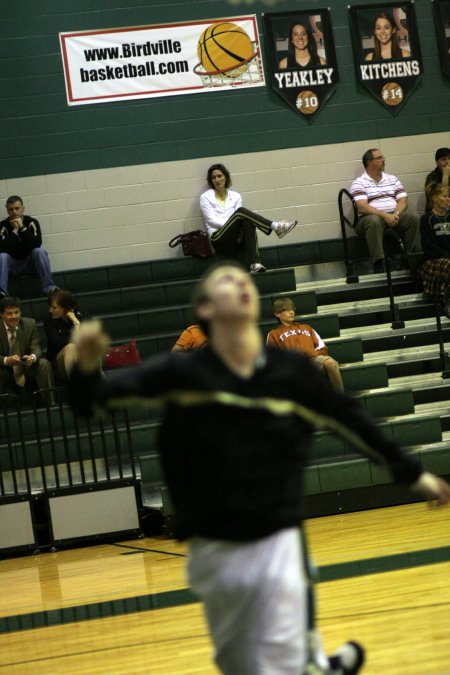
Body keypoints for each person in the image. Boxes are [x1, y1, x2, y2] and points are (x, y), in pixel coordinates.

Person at [68, 261, 450, 675]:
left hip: (277, 537)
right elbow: (91, 402)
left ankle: (315, 663)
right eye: (225, 282)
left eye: (243, 280)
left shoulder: (289, 371)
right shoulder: (181, 372)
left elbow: (351, 419)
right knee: (241, 665)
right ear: (207, 311)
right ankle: (321, 667)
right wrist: (86, 369)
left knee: (281, 663)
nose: (239, 283)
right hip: (213, 545)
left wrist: (415, 474)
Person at [200, 164, 298, 274]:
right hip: (218, 238)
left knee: (247, 221)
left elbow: (240, 219)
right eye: (214, 177)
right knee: (241, 213)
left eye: (220, 176)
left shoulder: (235, 196)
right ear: (211, 181)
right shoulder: (206, 197)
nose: (217, 179)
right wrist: (233, 223)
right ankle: (275, 226)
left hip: (235, 237)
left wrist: (235, 224)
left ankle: (255, 264)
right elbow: (211, 220)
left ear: (225, 177)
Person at [350, 149, 421, 273]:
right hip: (369, 219)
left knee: (414, 217)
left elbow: (403, 200)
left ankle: (413, 260)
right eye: (380, 158)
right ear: (369, 162)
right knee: (374, 221)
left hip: (394, 215)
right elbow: (362, 207)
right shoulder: (359, 182)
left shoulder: (392, 179)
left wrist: (396, 214)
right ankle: (379, 263)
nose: (384, 160)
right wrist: (385, 216)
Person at [267, 297, 344, 391]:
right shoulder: (274, 334)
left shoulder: (306, 327)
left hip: (313, 359)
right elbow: (272, 356)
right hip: (292, 364)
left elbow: (322, 346)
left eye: (292, 309)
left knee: (331, 364)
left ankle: (340, 399)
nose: (291, 312)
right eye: (286, 310)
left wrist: (311, 353)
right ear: (277, 313)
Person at [0, 195, 57, 298]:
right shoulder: (2, 226)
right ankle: (2, 292)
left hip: (30, 264)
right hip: (12, 266)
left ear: (23, 209)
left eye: (17, 208)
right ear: (7, 211)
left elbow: (36, 243)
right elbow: (2, 248)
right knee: (2, 256)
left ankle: (49, 288)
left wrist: (22, 228)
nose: (14, 212)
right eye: (11, 209)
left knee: (39, 251)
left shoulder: (31, 222)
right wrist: (15, 231)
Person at [0, 296, 54, 402]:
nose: (14, 316)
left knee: (44, 363)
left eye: (16, 312)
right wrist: (7, 360)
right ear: (1, 315)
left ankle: (50, 404)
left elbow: (37, 347)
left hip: (26, 367)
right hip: (4, 368)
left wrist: (32, 358)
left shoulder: (30, 324)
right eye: (9, 313)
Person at [419, 184, 450, 316]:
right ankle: (447, 301)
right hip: (433, 260)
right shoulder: (427, 219)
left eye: (449, 196)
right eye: (444, 196)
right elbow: (429, 246)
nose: (448, 199)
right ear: (435, 198)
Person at [44, 289, 86, 382]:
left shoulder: (81, 314)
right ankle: (76, 387)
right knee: (71, 347)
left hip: (82, 359)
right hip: (60, 363)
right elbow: (57, 343)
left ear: (66, 308)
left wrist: (76, 322)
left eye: (54, 308)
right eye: (50, 307)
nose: (51, 310)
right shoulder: (49, 319)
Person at [424, 147, 450, 212]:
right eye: (444, 159)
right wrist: (445, 176)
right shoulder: (431, 177)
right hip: (435, 211)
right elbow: (438, 199)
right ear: (437, 162)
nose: (448, 162)